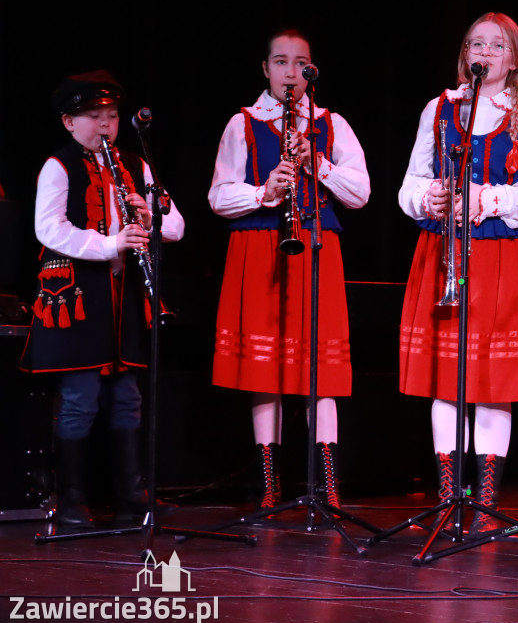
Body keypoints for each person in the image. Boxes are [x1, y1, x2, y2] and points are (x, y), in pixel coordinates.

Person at [397, 12, 518, 534]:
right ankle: (448, 498)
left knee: (494, 382)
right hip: (443, 250)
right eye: (475, 44)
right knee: (448, 378)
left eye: (495, 45)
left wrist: (486, 198)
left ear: (514, 57)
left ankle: (484, 502)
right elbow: (408, 188)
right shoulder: (439, 109)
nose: (483, 53)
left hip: (501, 256)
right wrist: (431, 195)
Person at [209, 29, 370, 511]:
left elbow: (360, 192)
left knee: (320, 368)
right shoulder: (242, 123)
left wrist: (315, 162)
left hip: (317, 248)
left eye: (301, 64)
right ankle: (269, 484)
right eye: (280, 62)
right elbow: (218, 197)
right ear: (265, 69)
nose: (291, 73)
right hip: (260, 249)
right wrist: (265, 192)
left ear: (311, 71)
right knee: (266, 367)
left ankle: (325, 485)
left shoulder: (330, 124)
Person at [20, 70, 186, 527]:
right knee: (80, 398)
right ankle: (73, 500)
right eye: (93, 116)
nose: (104, 125)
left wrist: (147, 214)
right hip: (77, 296)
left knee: (127, 396)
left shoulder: (136, 166)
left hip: (125, 300)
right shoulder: (59, 165)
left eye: (111, 116)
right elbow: (49, 229)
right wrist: (110, 245)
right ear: (69, 122)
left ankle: (132, 495)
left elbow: (176, 227)